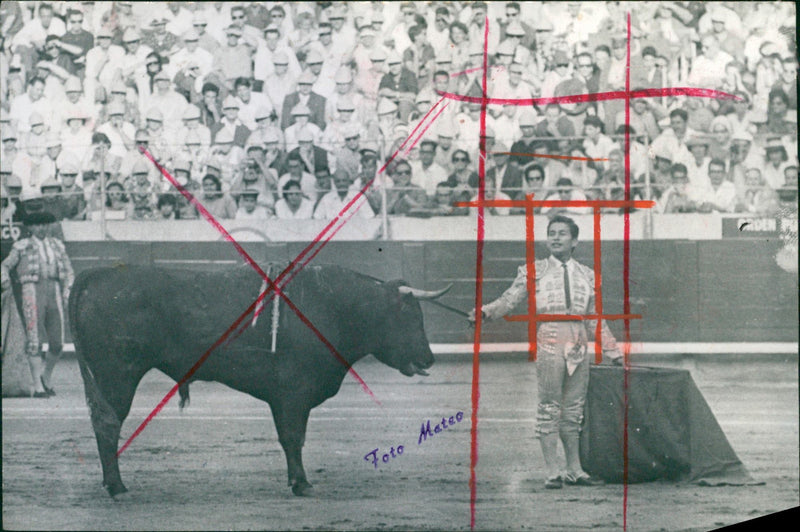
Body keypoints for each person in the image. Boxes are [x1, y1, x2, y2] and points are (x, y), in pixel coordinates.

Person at [468, 215, 622, 489]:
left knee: (574, 411)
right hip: (550, 338)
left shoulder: (588, 275)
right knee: (550, 407)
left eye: (562, 233)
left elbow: (594, 317)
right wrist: (485, 312)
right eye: (551, 233)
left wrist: (612, 349)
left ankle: (574, 469)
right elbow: (509, 299)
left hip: (578, 342)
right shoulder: (533, 270)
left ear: (574, 240)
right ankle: (553, 470)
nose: (555, 238)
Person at [1, 211, 74, 398]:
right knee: (34, 341)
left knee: (57, 343)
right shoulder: (22, 246)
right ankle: (38, 386)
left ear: (49, 225)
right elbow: (5, 266)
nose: (42, 228)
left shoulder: (58, 246)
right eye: (37, 225)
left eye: (45, 224)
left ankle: (45, 377)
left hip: (54, 291)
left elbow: (68, 270)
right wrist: (4, 280)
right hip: (31, 291)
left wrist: (67, 290)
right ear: (30, 227)